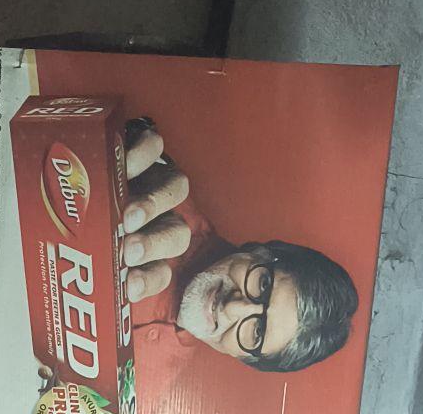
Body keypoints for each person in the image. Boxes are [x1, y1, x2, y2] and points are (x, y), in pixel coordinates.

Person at [118, 117, 359, 372]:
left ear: (245, 359)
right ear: (260, 251)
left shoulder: (157, 381)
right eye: (263, 285)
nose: (233, 307)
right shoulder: (166, 198)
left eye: (257, 331)